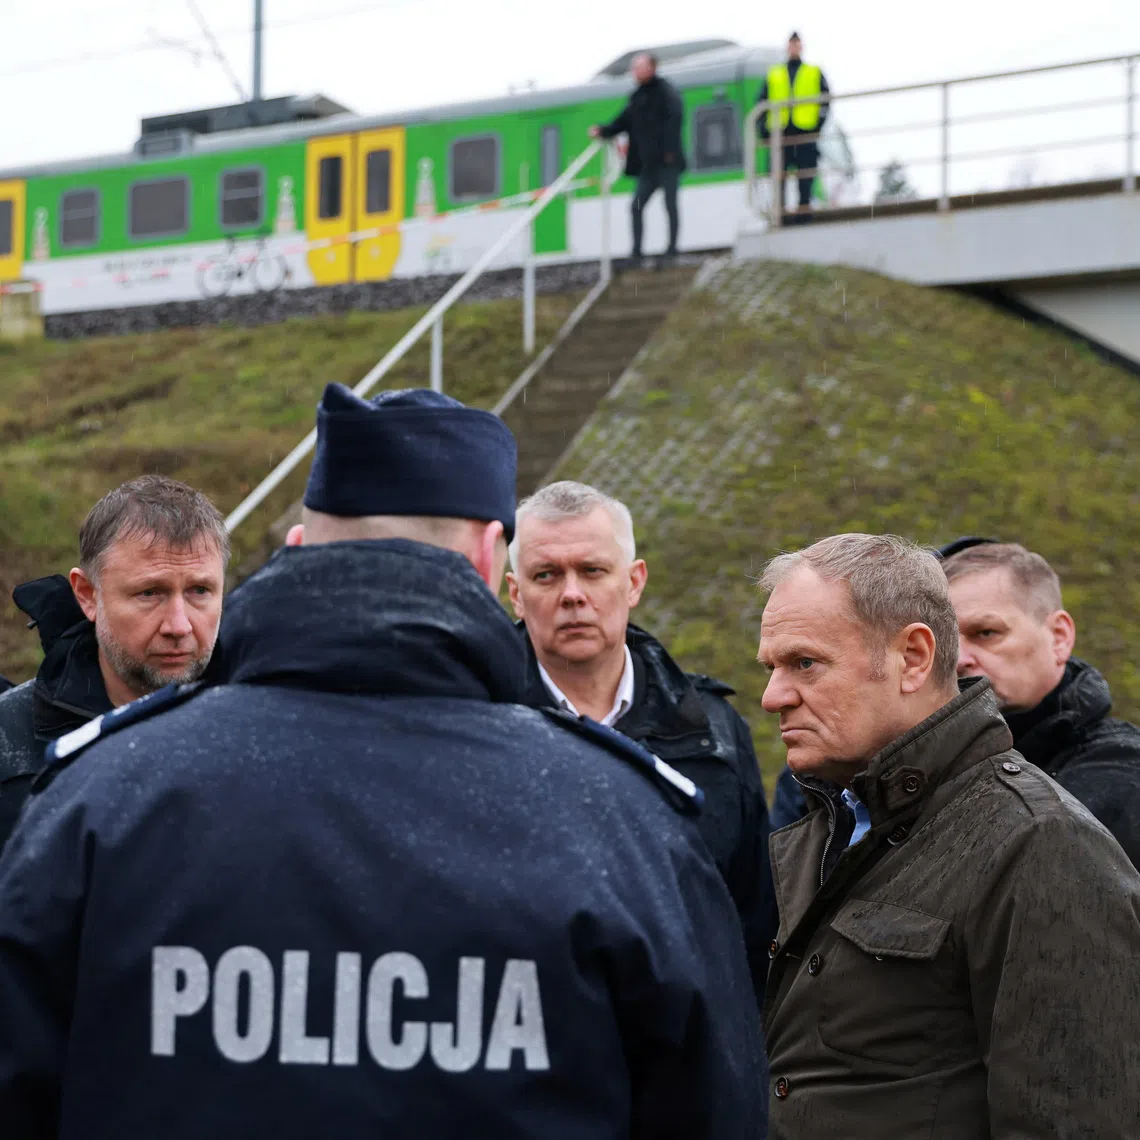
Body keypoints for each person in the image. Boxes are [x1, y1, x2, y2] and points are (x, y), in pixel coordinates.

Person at [0, 386, 763, 1140]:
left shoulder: (100, 798)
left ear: (299, 546)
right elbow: (714, 1107)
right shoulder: (621, 819)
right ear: (488, 555)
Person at [757, 533, 1140, 1138]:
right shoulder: (831, 823)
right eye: (772, 666)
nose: (772, 695)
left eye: (804, 662)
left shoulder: (1042, 844)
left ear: (912, 657)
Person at [507, 480, 777, 1004]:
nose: (572, 594)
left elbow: (752, 918)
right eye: (546, 575)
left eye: (592, 570)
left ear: (633, 582)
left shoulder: (713, 731)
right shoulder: (474, 723)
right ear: (516, 595)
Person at [0, 475, 227, 853]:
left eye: (199, 591)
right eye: (150, 593)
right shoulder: (9, 748)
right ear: (87, 595)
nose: (179, 625)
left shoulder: (273, 737)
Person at [942, 538, 1140, 865]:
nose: (960, 659)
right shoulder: (927, 766)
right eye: (945, 641)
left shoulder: (1122, 779)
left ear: (1059, 637)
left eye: (986, 632)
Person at [590, 52, 687, 265]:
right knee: (636, 206)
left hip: (667, 163)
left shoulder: (666, 92)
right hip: (648, 166)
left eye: (638, 67)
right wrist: (603, 130)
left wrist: (670, 152)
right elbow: (622, 122)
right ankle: (636, 253)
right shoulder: (637, 97)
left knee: (670, 206)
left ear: (651, 67)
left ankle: (672, 251)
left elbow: (675, 119)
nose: (634, 72)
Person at [756, 32, 831, 224]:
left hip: (805, 132)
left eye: (797, 44)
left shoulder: (814, 71)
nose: (794, 48)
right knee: (778, 176)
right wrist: (764, 130)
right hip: (780, 133)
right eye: (791, 44)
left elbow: (825, 101)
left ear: (801, 47)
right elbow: (762, 102)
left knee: (805, 176)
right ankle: (781, 214)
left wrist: (817, 127)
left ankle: (804, 212)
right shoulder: (774, 73)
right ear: (787, 47)